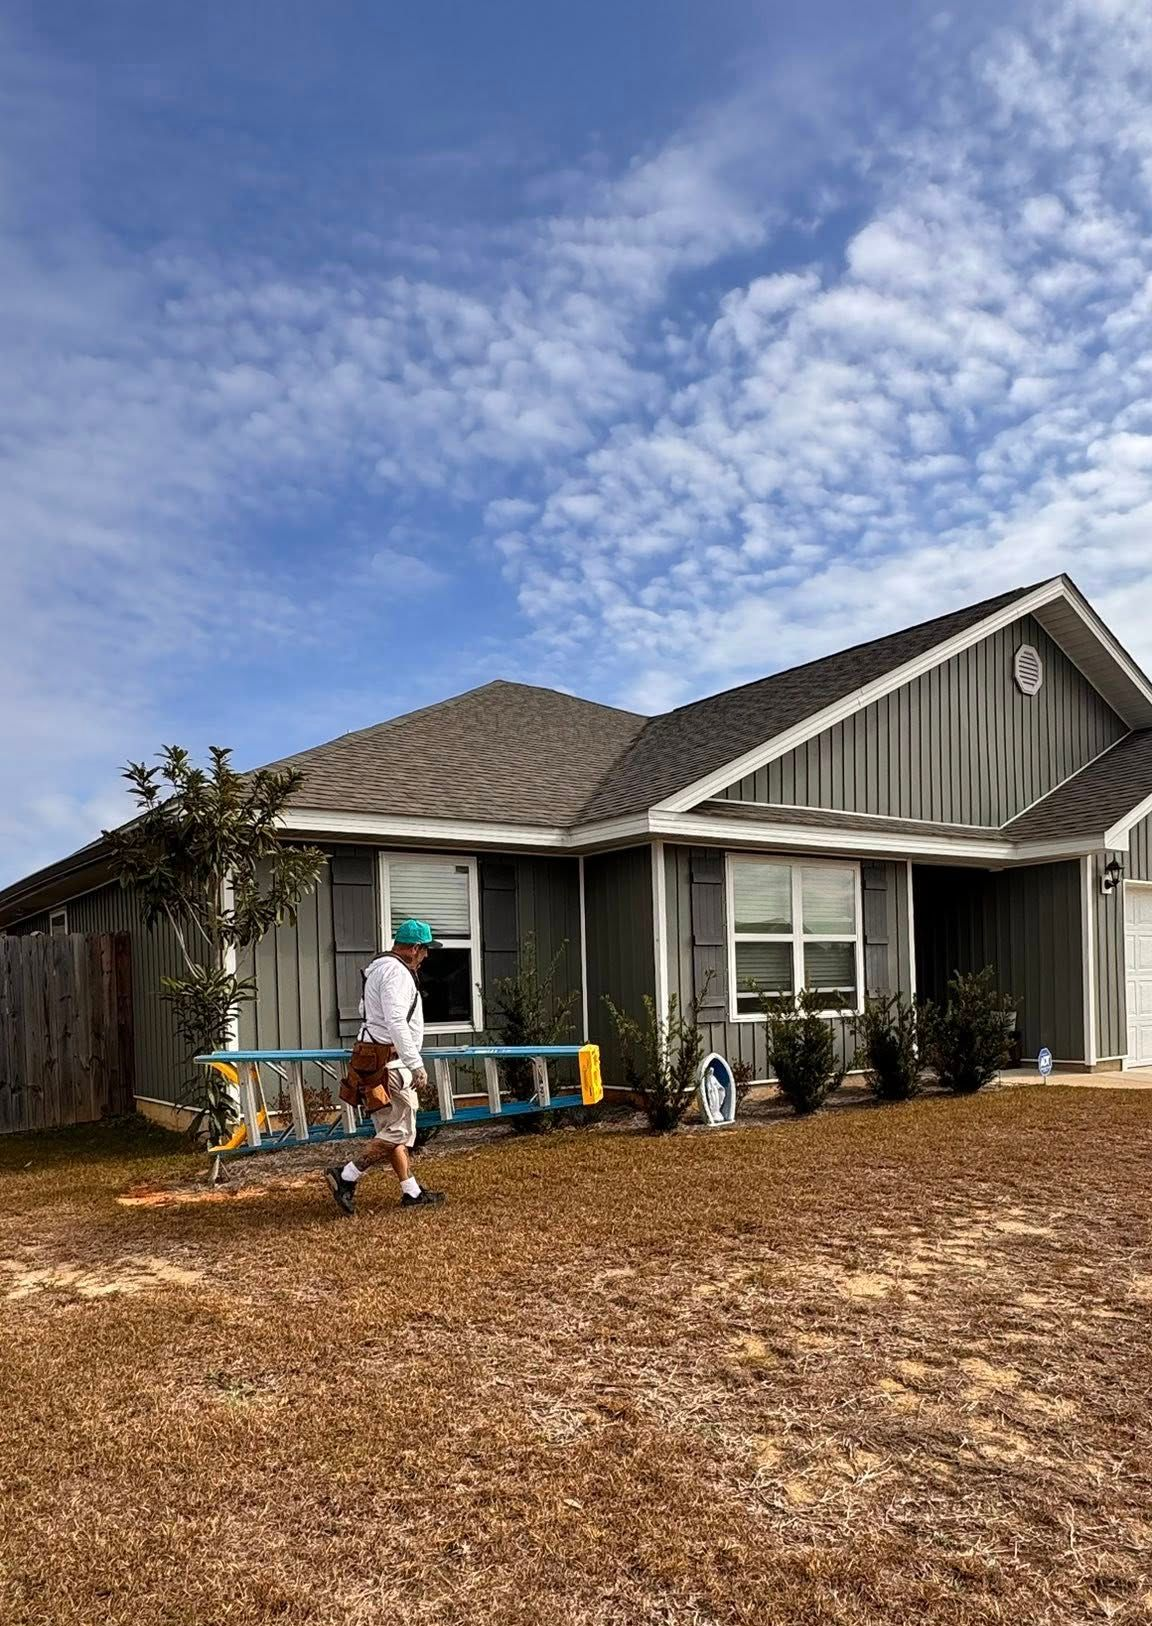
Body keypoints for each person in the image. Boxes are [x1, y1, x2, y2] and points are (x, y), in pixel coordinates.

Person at [325, 919, 446, 1215]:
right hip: (392, 1064)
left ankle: (411, 1192)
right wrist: (415, 1064)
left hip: (372, 1062)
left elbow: (367, 1012)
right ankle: (346, 1175)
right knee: (399, 1131)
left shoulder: (377, 968)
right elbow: (395, 1021)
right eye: (425, 950)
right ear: (415, 948)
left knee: (390, 1132)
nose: (426, 957)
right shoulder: (398, 973)